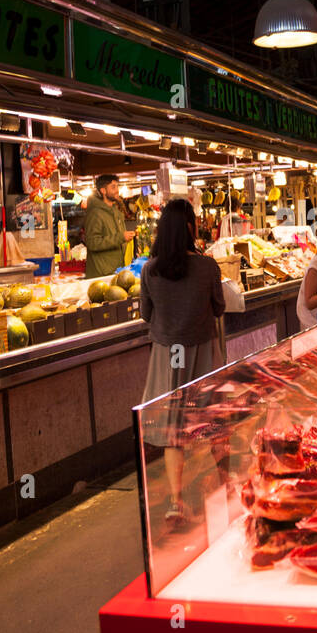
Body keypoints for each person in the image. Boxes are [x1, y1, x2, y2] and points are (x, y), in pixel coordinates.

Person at [139, 199, 226, 526]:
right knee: (216, 419)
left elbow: (146, 315)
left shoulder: (150, 269)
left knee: (174, 428)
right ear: (190, 228)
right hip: (203, 352)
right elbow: (218, 307)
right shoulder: (207, 267)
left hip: (166, 356)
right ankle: (226, 484)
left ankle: (176, 502)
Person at [82, 174, 133, 278]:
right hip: (102, 274)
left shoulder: (117, 213)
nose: (117, 190)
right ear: (103, 191)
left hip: (117, 271)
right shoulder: (95, 213)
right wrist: (121, 237)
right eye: (113, 187)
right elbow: (92, 243)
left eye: (117, 186)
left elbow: (120, 240)